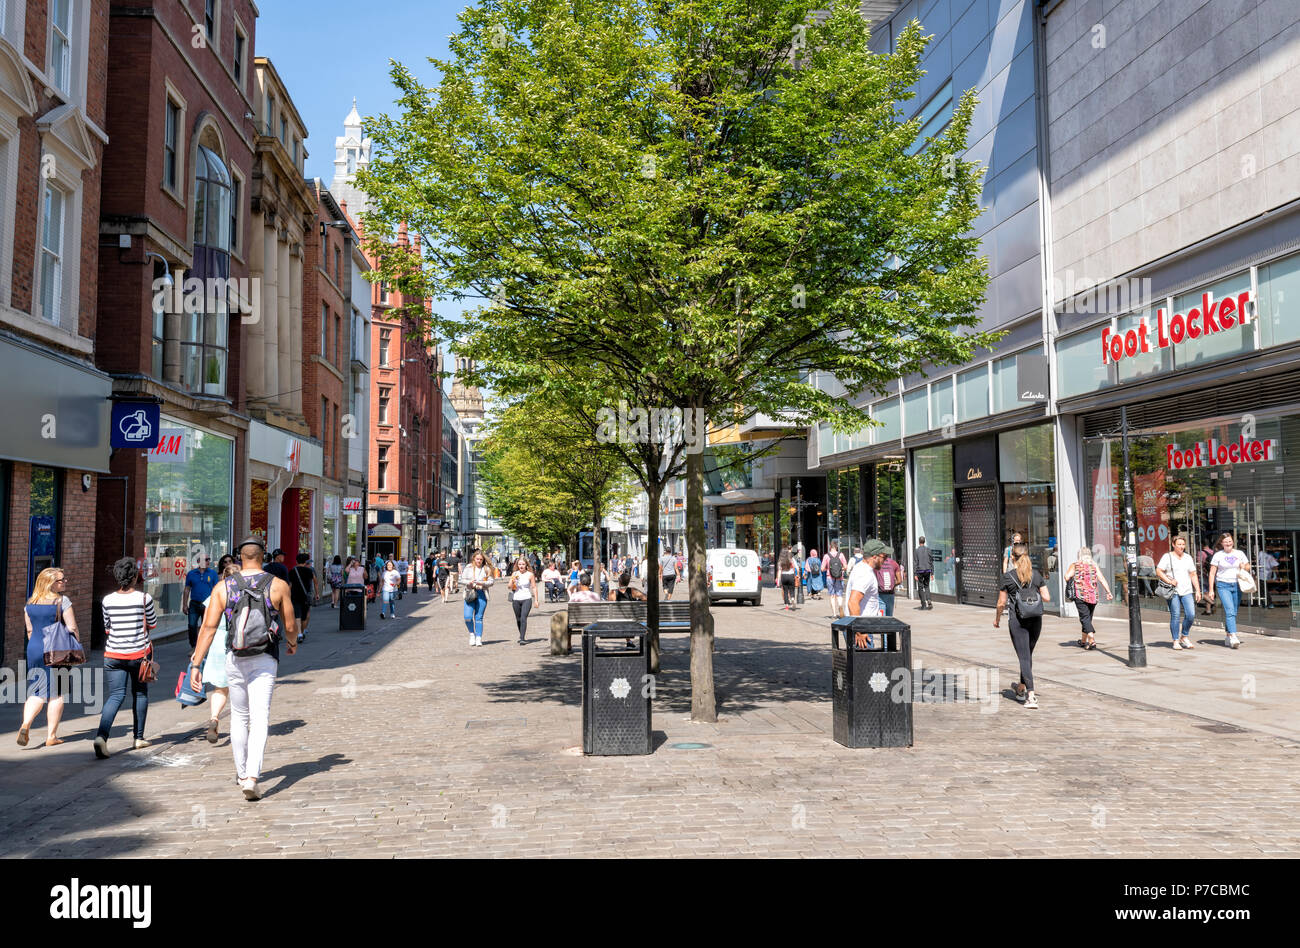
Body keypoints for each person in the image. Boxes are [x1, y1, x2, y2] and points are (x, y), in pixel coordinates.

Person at [191, 536, 298, 800]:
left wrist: (197, 663)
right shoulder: (278, 585)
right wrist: (292, 643)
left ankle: (241, 774)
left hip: (235, 656)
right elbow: (290, 623)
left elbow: (208, 628)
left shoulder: (223, 587)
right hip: (264, 656)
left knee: (239, 715)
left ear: (240, 558)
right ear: (263, 557)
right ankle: (253, 776)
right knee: (260, 717)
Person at [95, 558, 159, 758]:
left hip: (113, 654)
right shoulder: (144, 598)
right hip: (138, 655)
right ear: (133, 577)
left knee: (115, 696)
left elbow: (107, 628)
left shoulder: (107, 600)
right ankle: (138, 738)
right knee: (140, 694)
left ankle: (101, 737)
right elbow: (153, 624)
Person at [17, 567, 79, 748]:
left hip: (35, 648)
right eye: (61, 580)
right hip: (57, 651)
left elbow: (29, 630)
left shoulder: (30, 603)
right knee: (56, 693)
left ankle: (25, 723)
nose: (65, 581)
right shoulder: (62, 601)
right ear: (51, 583)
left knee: (37, 691)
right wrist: (75, 649)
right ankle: (51, 736)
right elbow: (72, 628)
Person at [994, 544, 1050, 710]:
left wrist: (997, 619)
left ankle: (1031, 696)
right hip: (1035, 620)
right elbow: (1046, 597)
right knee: (1027, 654)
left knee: (1024, 657)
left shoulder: (1007, 577)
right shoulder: (1036, 575)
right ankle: (1020, 688)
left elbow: (1001, 603)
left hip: (1017, 621)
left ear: (1013, 558)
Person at [195, 555, 238, 744]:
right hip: (239, 643)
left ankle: (214, 718)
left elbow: (205, 626)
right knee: (240, 688)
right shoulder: (246, 597)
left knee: (220, 689)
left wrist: (198, 653)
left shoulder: (214, 596)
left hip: (218, 643)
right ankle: (241, 727)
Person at [1155, 535, 1201, 650]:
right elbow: (1159, 571)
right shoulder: (1167, 557)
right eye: (1179, 544)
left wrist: (1198, 590)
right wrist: (1169, 581)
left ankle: (1184, 636)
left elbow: (1193, 574)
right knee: (1175, 615)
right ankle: (1175, 640)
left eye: (1183, 544)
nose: (1181, 547)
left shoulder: (1188, 558)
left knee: (1191, 614)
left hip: (1187, 590)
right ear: (1173, 545)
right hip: (1173, 591)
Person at [1207, 532, 1251, 649]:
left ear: (1233, 542)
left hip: (1237, 585)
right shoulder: (1218, 555)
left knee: (1233, 612)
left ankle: (1227, 635)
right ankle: (1233, 636)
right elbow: (1212, 573)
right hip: (1223, 585)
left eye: (1230, 541)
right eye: (1225, 541)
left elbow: (1248, 566)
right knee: (1230, 610)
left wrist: (1243, 566)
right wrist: (1211, 589)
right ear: (1221, 543)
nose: (1228, 543)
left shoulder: (1239, 553)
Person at [1065, 546, 1112, 650]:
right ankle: (1083, 641)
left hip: (1080, 595)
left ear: (1079, 555)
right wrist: (1108, 592)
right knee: (1087, 618)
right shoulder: (1094, 566)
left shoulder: (1075, 565)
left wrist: (1075, 578)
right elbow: (1102, 579)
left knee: (1084, 618)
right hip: (1093, 596)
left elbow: (1067, 576)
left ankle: (1092, 640)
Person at [846, 540, 888, 647]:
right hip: (861, 627)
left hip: (860, 625)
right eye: (884, 557)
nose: (886, 560)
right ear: (874, 557)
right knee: (866, 663)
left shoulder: (861, 568)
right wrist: (859, 631)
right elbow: (853, 602)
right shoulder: (865, 573)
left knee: (860, 662)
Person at [183, 554, 218, 648]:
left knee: (206, 627)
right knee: (191, 625)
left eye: (208, 559)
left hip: (208, 604)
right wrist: (184, 605)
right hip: (194, 603)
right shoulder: (191, 573)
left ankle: (204, 647)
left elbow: (216, 589)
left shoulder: (213, 573)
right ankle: (194, 647)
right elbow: (187, 589)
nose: (208, 561)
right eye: (205, 559)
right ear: (199, 561)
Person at [462, 550, 494, 646]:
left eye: (481, 559)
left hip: (481, 593)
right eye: (477, 559)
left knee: (479, 617)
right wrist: (469, 582)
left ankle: (478, 638)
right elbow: (462, 579)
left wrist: (482, 583)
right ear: (474, 558)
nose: (479, 561)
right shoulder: (468, 567)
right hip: (470, 592)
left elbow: (491, 582)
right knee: (467, 616)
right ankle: (472, 634)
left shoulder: (486, 569)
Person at [508, 557, 540, 645]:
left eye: (523, 564)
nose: (521, 566)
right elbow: (509, 586)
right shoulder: (514, 574)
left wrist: (536, 600)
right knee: (518, 619)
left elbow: (533, 587)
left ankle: (522, 638)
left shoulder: (530, 574)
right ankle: (521, 633)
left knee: (523, 618)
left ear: (526, 565)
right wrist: (512, 581)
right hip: (516, 598)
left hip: (527, 598)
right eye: (519, 564)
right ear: (517, 565)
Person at [289, 552, 318, 643]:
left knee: (297, 614)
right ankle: (302, 631)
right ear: (305, 561)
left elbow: (290, 585)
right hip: (306, 596)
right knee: (304, 616)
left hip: (295, 595)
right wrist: (317, 594)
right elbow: (315, 582)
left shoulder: (292, 571)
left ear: (297, 561)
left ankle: (299, 634)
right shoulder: (309, 571)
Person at [822, 544, 848, 618]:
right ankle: (840, 606)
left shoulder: (826, 556)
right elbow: (845, 567)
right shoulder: (841, 555)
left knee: (832, 596)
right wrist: (840, 569)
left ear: (830, 548)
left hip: (829, 577)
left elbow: (822, 568)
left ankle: (834, 614)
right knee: (839, 594)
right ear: (836, 548)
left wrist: (828, 569)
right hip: (839, 577)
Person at [877, 550, 903, 616]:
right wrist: (892, 585)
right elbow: (899, 580)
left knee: (881, 616)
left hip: (879, 594)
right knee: (889, 616)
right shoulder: (894, 563)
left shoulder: (876, 563)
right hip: (890, 594)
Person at [913, 537, 934, 609]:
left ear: (919, 542)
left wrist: (915, 574)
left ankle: (923, 604)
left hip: (920, 571)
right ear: (924, 542)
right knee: (927, 586)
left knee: (920, 587)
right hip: (927, 570)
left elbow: (915, 562)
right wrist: (932, 573)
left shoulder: (916, 551)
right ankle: (928, 599)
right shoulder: (928, 550)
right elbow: (931, 561)